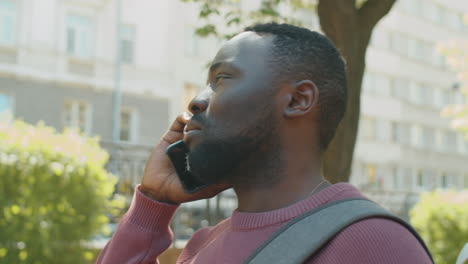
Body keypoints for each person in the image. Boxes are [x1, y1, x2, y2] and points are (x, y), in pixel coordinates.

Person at [97, 23, 432, 263]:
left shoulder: (372, 244)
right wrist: (152, 204)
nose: (197, 101)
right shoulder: (202, 244)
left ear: (298, 100)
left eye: (222, 79)